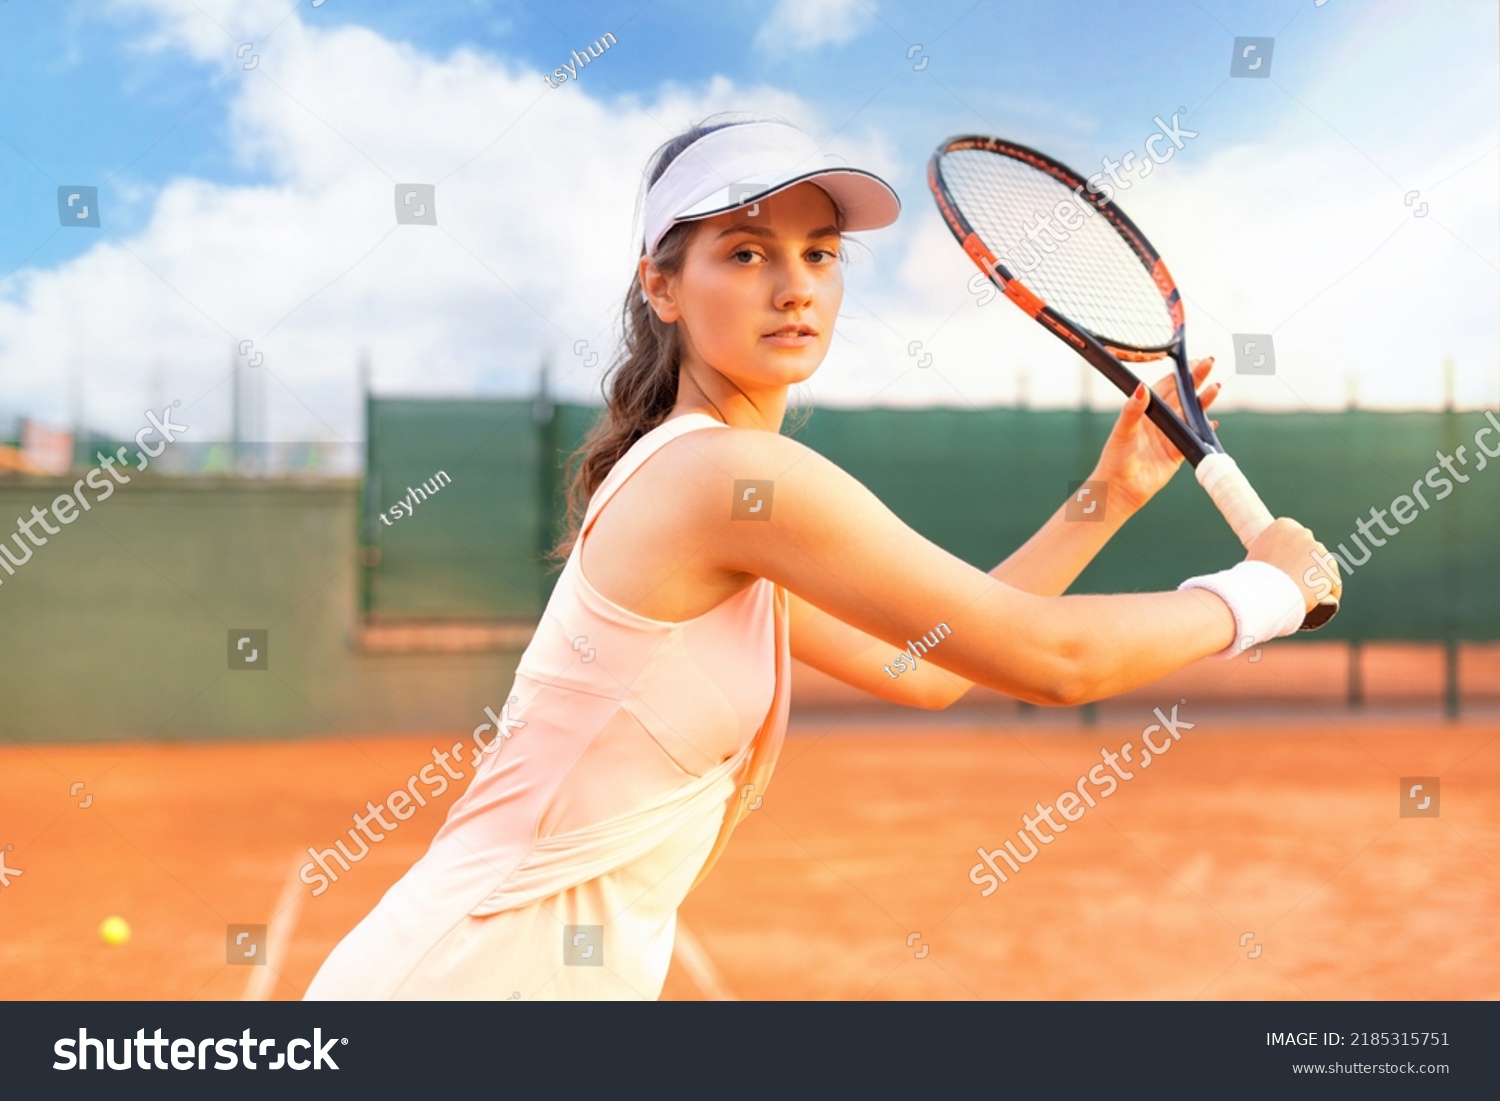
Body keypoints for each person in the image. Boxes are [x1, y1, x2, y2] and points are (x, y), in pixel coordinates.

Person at [303, 112, 1341, 1001]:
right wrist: (1266, 592)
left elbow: (924, 664)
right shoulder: (731, 485)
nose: (793, 285)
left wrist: (1104, 498)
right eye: (745, 251)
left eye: (820, 253)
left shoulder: (721, 490)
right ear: (661, 288)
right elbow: (1051, 660)